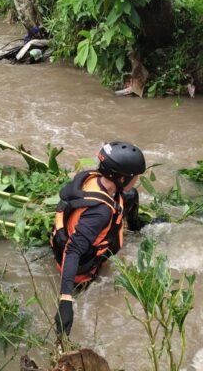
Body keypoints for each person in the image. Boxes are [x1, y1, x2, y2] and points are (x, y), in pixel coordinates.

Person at [50, 141, 146, 336]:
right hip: (81, 271)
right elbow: (73, 250)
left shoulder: (92, 179)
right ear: (121, 178)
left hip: (72, 237)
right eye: (134, 176)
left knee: (130, 196)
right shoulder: (100, 213)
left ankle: (137, 228)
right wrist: (66, 300)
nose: (136, 179)